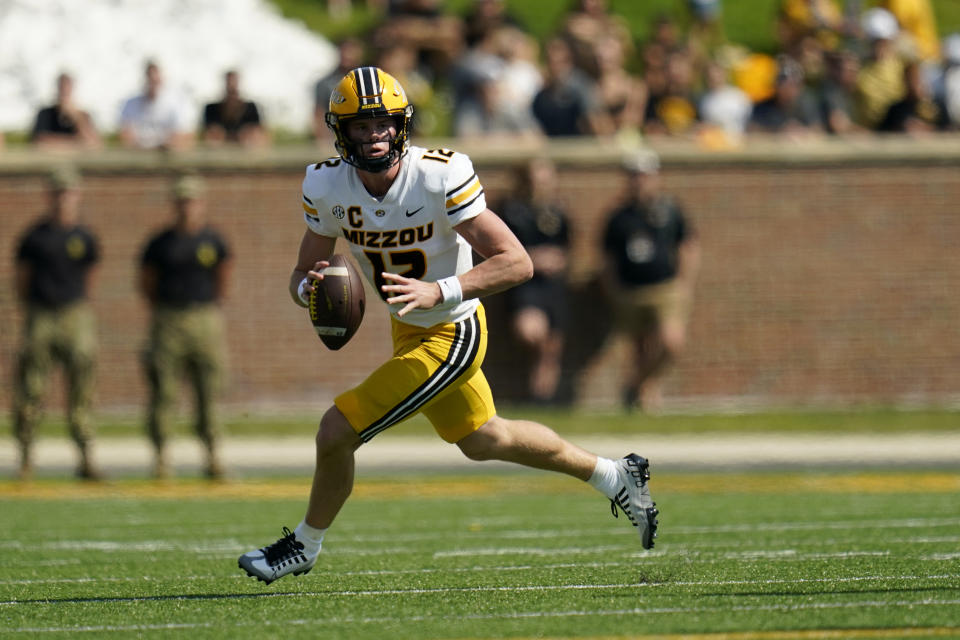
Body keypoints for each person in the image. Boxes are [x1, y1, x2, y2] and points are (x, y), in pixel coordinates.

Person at [238, 66, 658, 584]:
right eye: (361, 125)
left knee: (336, 430)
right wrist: (311, 291)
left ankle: (303, 544)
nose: (375, 134)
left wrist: (441, 289)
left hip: (455, 329)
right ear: (340, 131)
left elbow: (516, 262)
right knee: (485, 439)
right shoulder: (326, 185)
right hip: (408, 329)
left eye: (383, 123)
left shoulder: (438, 174)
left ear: (402, 125)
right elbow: (302, 273)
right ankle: (615, 474)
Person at [139, 175, 232, 479]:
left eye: (192, 201)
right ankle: (162, 457)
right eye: (182, 201)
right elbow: (146, 283)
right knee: (164, 390)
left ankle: (212, 455)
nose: (187, 207)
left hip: (204, 319)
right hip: (169, 320)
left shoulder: (213, 240)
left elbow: (223, 278)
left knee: (208, 390)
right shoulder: (160, 243)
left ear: (200, 204)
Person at [12, 167, 102, 480]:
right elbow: (21, 280)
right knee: (31, 389)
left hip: (75, 315)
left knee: (82, 388)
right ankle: (26, 458)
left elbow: (90, 278)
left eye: (69, 193)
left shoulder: (84, 237)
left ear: (77, 196)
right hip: (41, 315)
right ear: (49, 197)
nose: (63, 199)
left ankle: (86, 457)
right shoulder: (34, 237)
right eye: (58, 193)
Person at [601, 149, 700, 413]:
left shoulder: (670, 209)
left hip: (665, 287)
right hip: (630, 289)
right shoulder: (618, 216)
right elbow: (608, 258)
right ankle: (646, 398)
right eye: (634, 176)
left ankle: (636, 383)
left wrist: (684, 283)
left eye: (645, 175)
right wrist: (613, 289)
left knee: (671, 342)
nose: (640, 181)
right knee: (639, 349)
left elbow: (687, 245)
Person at [496, 157, 571, 404]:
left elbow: (568, 248)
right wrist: (533, 258)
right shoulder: (511, 211)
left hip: (552, 286)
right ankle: (537, 394)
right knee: (530, 332)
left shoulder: (557, 211)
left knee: (552, 348)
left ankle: (542, 401)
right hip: (525, 286)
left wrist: (559, 260)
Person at [119, 61, 195, 150]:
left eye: (155, 81)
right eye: (150, 80)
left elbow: (184, 135)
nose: (152, 85)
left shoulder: (175, 103)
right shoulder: (131, 104)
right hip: (139, 156)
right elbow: (125, 135)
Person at [30, 72, 101, 149]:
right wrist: (76, 142)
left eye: (67, 88)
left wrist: (77, 118)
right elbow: (40, 141)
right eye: (62, 88)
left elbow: (95, 143)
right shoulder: (45, 113)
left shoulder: (84, 115)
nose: (64, 92)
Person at [202, 70, 268, 147]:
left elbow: (260, 134)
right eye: (229, 83)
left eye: (234, 82)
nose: (232, 86)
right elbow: (209, 134)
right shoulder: (211, 108)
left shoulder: (251, 108)